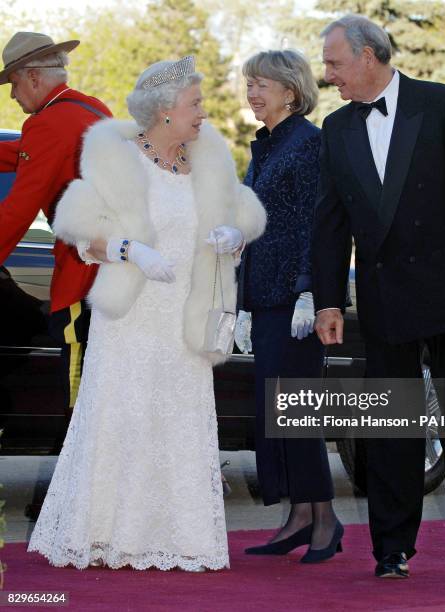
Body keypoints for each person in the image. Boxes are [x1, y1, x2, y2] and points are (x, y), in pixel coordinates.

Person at [28, 56, 266, 571]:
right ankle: (105, 536)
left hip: (186, 315)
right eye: (195, 104)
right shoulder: (118, 159)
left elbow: (240, 210)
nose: (204, 112)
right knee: (123, 418)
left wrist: (234, 233)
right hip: (132, 317)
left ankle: (182, 537)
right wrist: (129, 250)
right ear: (163, 112)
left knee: (180, 423)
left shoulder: (208, 158)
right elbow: (75, 225)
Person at [312, 14, 445, 581]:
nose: (328, 76)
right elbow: (330, 224)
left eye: (335, 63)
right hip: (384, 300)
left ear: (369, 56)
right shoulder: (336, 128)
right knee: (390, 431)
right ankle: (392, 550)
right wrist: (329, 301)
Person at [235, 50, 342, 563]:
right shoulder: (266, 146)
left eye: (261, 84)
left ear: (291, 91)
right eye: (249, 84)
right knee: (277, 414)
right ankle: (300, 515)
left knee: (296, 411)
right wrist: (241, 302)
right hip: (265, 295)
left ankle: (324, 519)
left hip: (296, 300)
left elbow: (316, 225)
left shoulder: (309, 144)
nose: (253, 92)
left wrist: (310, 291)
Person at [0, 32, 111, 415]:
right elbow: (25, 155)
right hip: (111, 277)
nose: (13, 96)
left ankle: (82, 475)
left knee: (80, 403)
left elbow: (16, 210)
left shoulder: (47, 125)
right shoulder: (90, 110)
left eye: (13, 84)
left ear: (32, 77)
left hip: (82, 278)